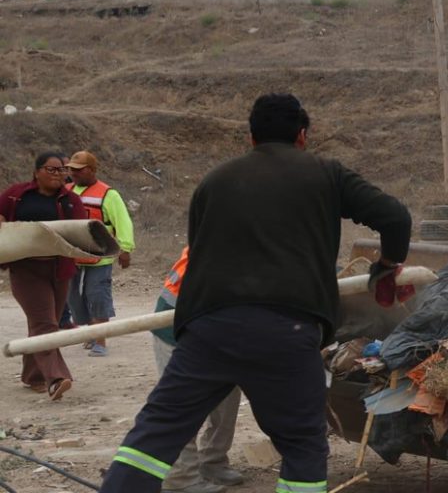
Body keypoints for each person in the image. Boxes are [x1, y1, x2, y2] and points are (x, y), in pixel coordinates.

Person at [100, 93, 414, 493]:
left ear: (251, 137)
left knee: (153, 435)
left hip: (208, 328)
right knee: (302, 445)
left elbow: (199, 253)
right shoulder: (326, 174)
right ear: (302, 135)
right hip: (288, 331)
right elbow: (395, 217)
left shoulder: (215, 180)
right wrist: (386, 268)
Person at [150, 247, 244, 493]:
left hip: (219, 327)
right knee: (183, 404)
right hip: (175, 328)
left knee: (227, 398)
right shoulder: (228, 242)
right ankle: (181, 479)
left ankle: (212, 461)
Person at [0, 152, 87, 400]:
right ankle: (56, 378)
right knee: (45, 324)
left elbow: (80, 231)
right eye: (52, 169)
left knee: (43, 323)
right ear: (37, 171)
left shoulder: (70, 200)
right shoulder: (17, 194)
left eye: (62, 170)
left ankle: (33, 376)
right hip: (26, 269)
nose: (58, 174)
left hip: (59, 269)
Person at [62, 150, 135, 357]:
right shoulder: (66, 191)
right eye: (71, 170)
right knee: (73, 297)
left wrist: (126, 249)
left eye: (79, 170)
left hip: (100, 255)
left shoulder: (108, 194)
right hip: (72, 254)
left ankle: (100, 341)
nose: (73, 174)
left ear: (92, 170)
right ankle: (90, 332)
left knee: (97, 295)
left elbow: (123, 222)